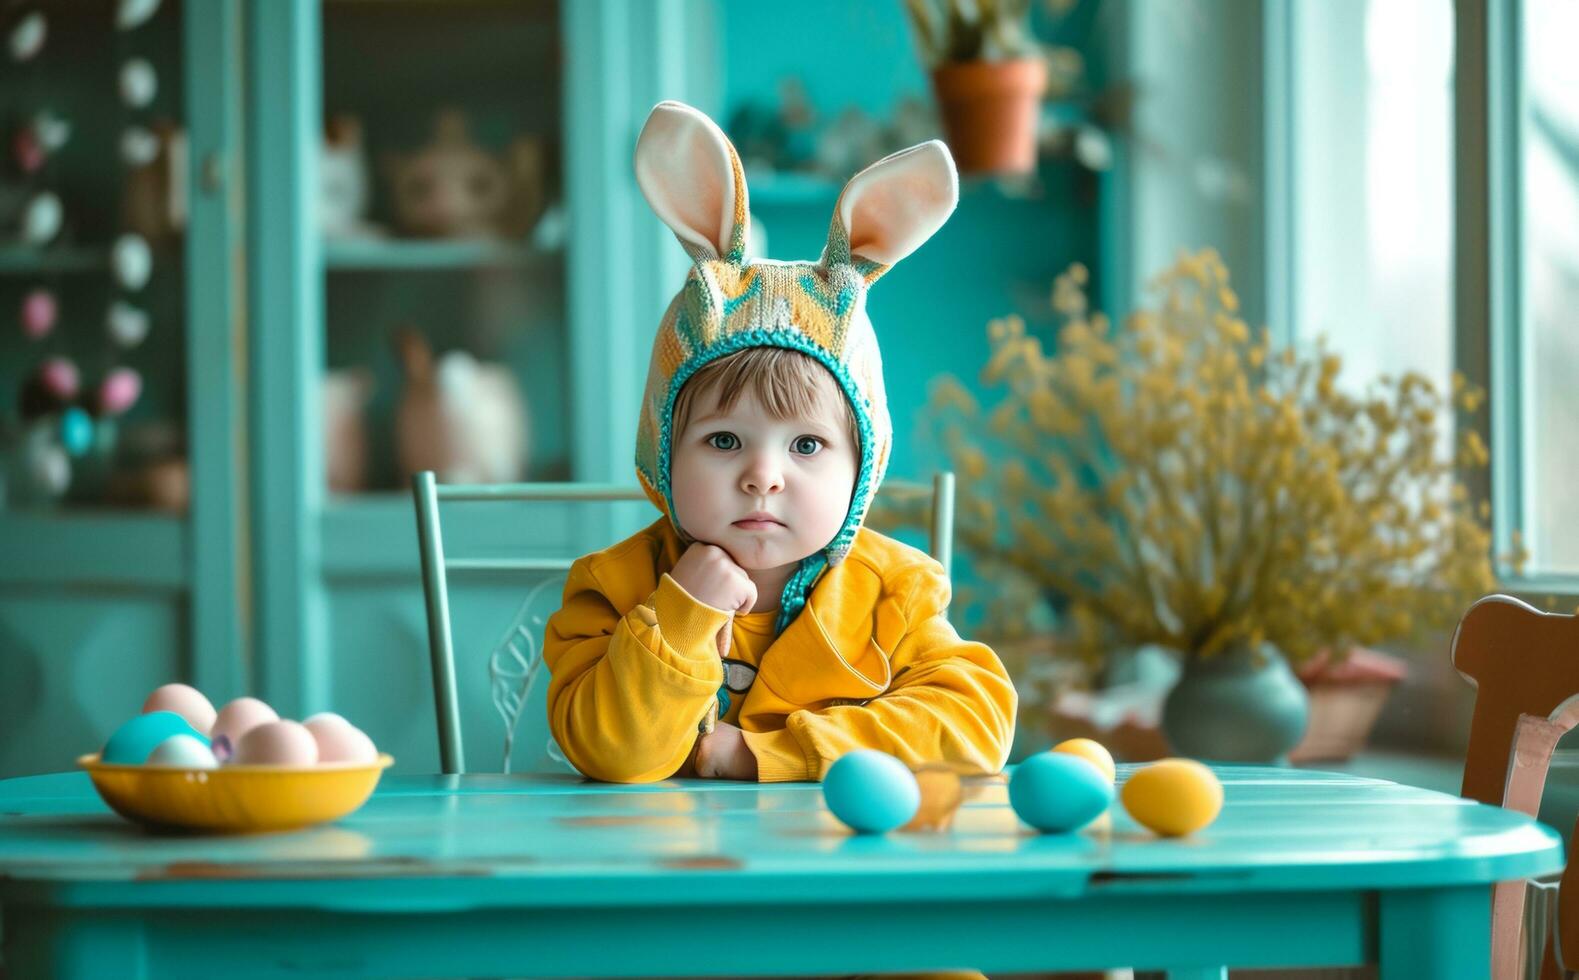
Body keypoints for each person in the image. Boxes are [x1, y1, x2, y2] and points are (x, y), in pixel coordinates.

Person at [543, 100, 1016, 788]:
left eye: (806, 447)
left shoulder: (893, 595)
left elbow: (974, 730)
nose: (762, 476)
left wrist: (772, 753)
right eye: (725, 439)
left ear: (862, 469)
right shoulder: (612, 588)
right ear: (663, 454)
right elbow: (609, 753)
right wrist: (681, 615)